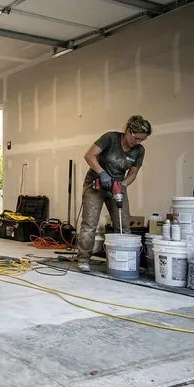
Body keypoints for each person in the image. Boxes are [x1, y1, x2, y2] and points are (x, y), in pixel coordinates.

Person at [77, 115, 152, 272]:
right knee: (90, 224)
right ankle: (83, 259)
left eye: (141, 140)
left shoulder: (139, 151)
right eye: (136, 138)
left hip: (116, 187)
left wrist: (122, 186)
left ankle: (120, 261)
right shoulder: (110, 138)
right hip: (95, 185)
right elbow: (89, 156)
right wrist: (102, 173)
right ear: (129, 131)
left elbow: (132, 174)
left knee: (124, 226)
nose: (138, 142)